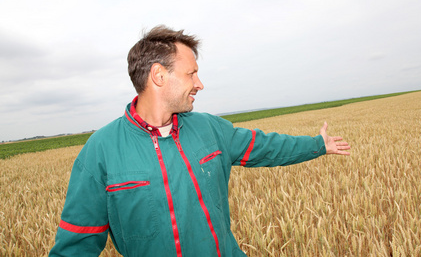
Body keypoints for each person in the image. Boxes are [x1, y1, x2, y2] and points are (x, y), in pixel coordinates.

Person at [49, 25, 350, 257]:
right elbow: (76, 244)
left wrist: (318, 145)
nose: (200, 84)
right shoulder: (101, 152)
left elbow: (266, 146)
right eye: (191, 73)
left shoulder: (210, 129)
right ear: (158, 75)